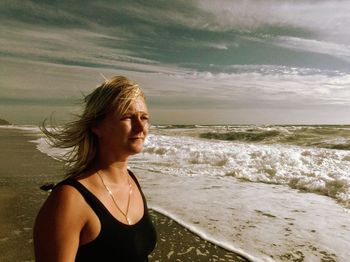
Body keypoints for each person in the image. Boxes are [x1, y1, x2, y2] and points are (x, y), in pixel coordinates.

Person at [34, 75, 157, 261]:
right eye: (127, 117)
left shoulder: (132, 180)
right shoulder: (69, 200)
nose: (141, 127)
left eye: (144, 117)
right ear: (97, 126)